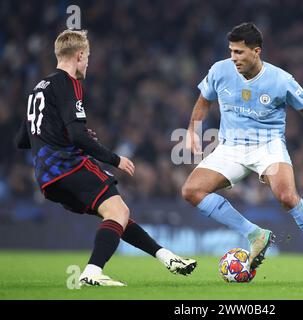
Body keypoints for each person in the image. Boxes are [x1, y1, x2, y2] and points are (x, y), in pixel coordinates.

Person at [15, 29, 197, 287]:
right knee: (118, 210)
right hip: (68, 166)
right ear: (79, 55)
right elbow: (78, 136)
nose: (88, 62)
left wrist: (61, 132)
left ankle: (166, 257)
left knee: (114, 214)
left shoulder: (37, 89)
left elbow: (22, 140)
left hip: (46, 177)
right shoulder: (68, 83)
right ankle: (92, 271)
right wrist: (115, 159)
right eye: (87, 56)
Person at [182, 22, 303, 283]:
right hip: (231, 147)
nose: (233, 58)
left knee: (286, 197)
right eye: (231, 51)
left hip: (267, 145)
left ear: (256, 51)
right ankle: (254, 234)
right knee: (191, 191)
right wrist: (193, 130)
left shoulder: (280, 80)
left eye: (239, 52)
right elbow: (204, 99)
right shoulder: (220, 71)